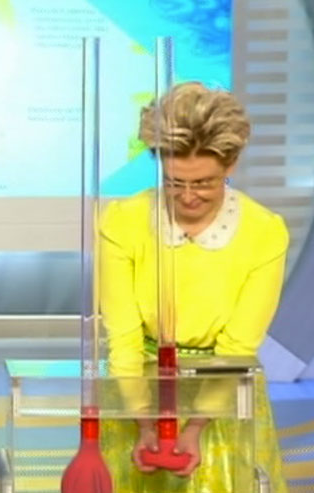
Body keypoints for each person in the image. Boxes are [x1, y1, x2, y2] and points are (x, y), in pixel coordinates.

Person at [98, 82, 288, 492]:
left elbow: (238, 343)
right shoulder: (122, 221)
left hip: (222, 394)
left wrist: (196, 427)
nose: (187, 197)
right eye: (174, 182)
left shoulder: (264, 232)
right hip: (139, 391)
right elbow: (124, 337)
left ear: (231, 164)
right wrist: (143, 422)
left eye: (203, 183)